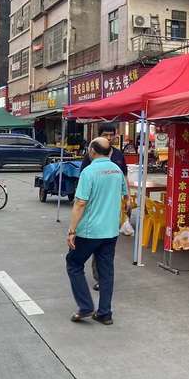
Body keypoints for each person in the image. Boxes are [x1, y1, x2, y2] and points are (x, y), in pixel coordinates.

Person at [66, 137, 127, 325]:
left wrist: (71, 230)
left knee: (74, 263)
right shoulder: (117, 170)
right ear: (109, 152)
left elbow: (81, 202)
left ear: (92, 151)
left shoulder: (89, 172)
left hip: (90, 231)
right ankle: (105, 313)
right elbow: (126, 197)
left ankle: (85, 306)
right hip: (110, 231)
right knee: (106, 271)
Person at [79, 123, 129, 291]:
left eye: (111, 135)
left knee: (106, 248)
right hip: (94, 207)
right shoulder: (90, 156)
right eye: (106, 134)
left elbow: (124, 177)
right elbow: (84, 180)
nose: (109, 138)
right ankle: (100, 277)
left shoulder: (119, 155)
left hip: (112, 208)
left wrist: (127, 198)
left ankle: (104, 277)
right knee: (96, 246)